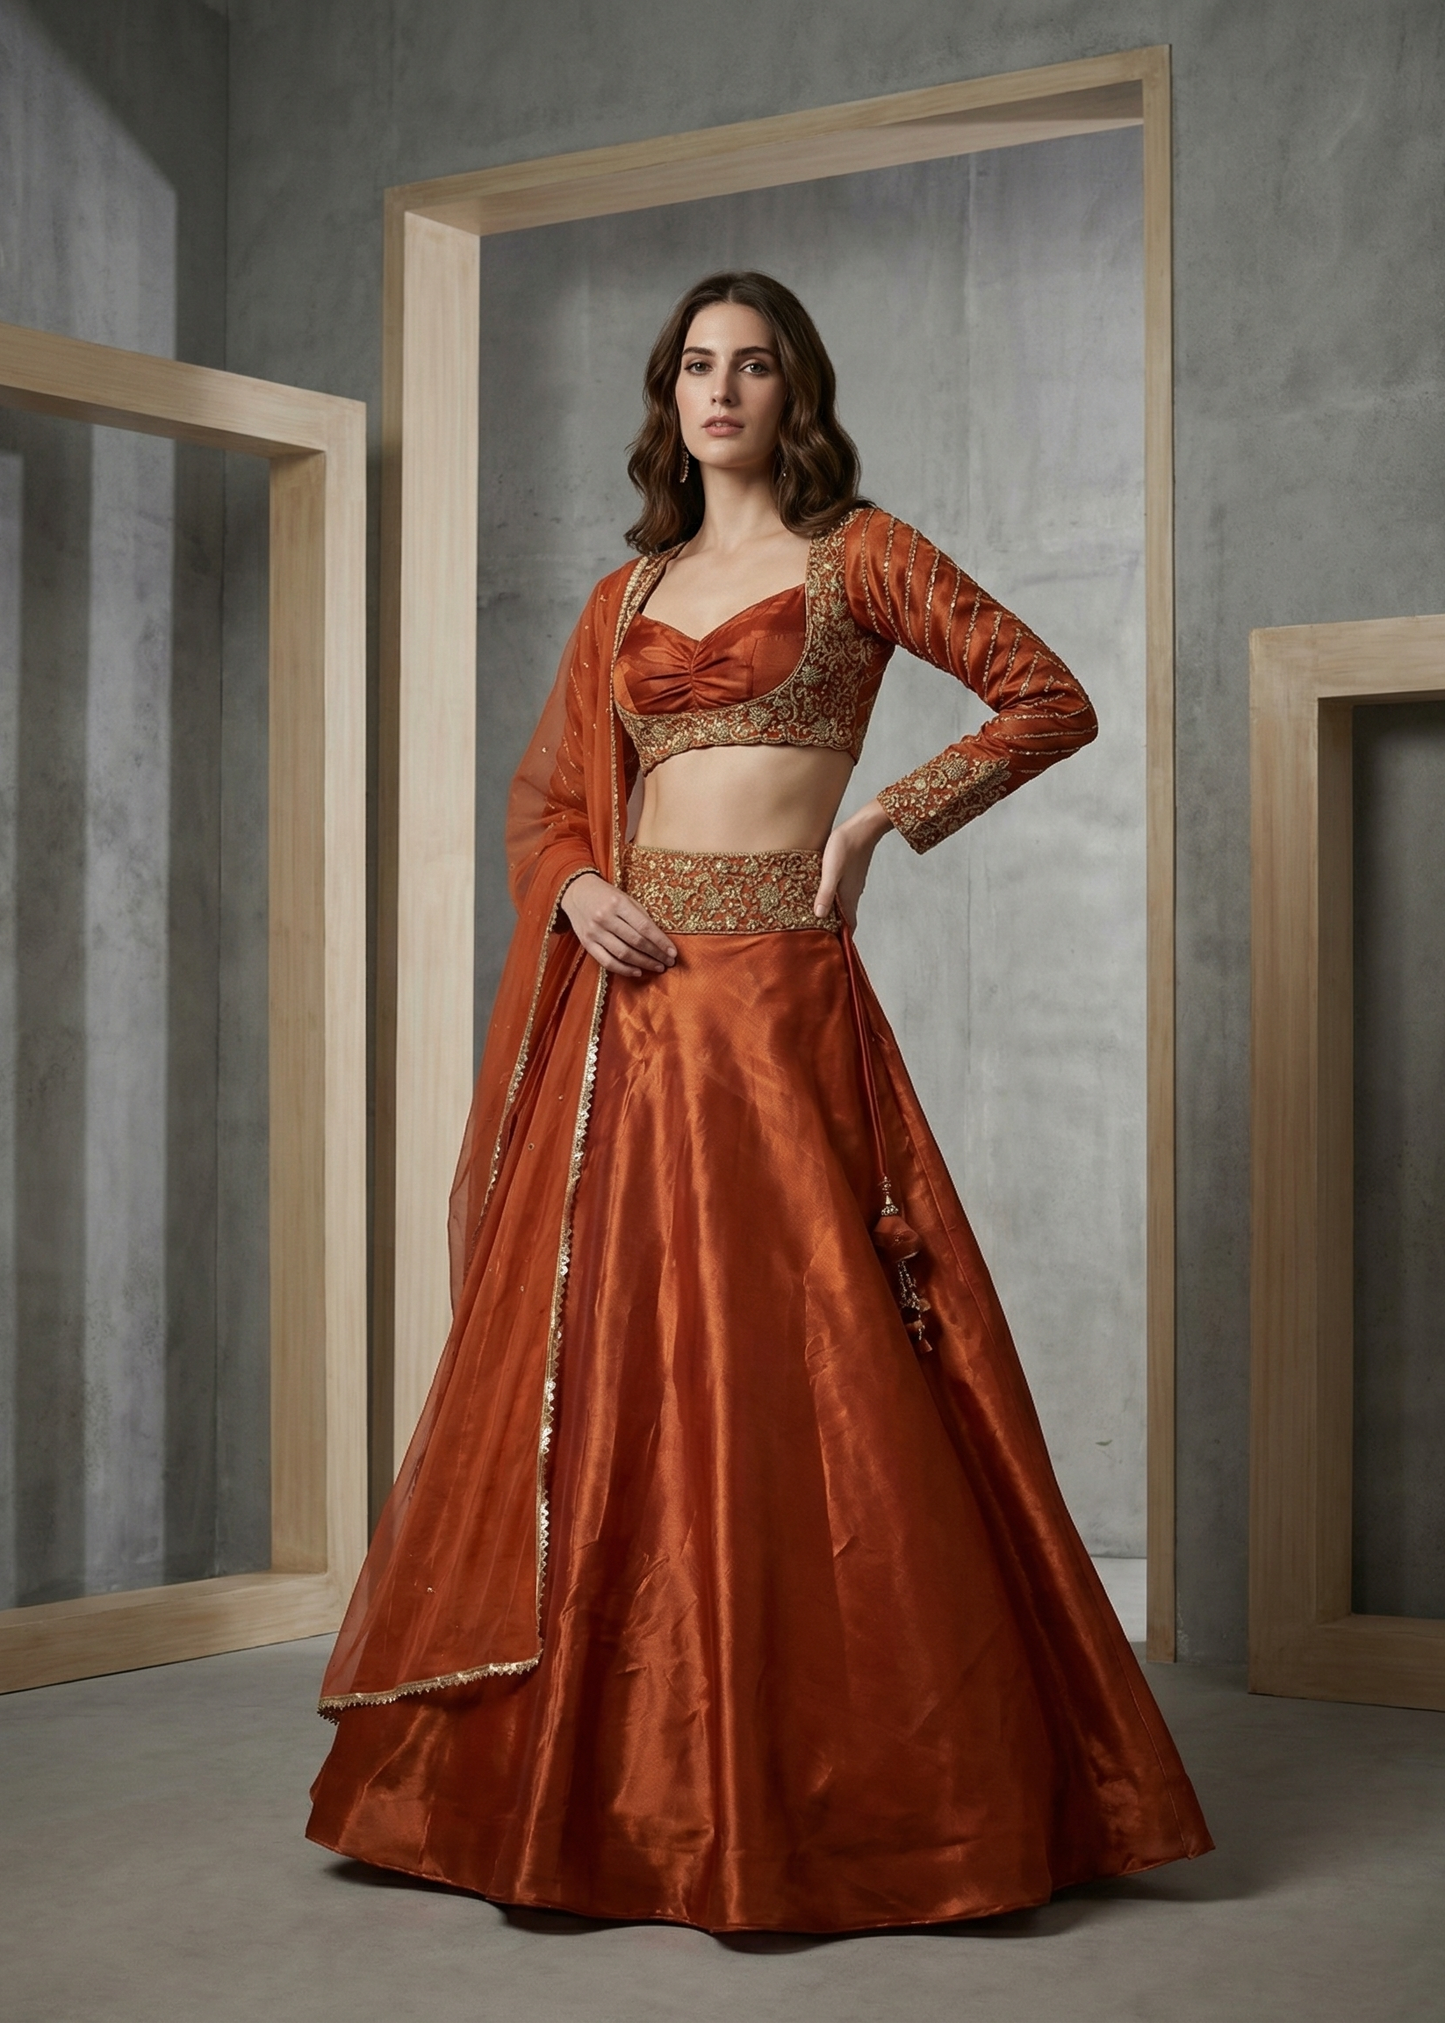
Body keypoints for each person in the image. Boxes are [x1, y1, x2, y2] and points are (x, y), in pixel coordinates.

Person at [307, 271, 1212, 1932]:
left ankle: (877, 1794)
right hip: (633, 1020)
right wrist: (576, 885)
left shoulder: (859, 554)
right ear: (672, 397)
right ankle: (587, 1801)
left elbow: (1048, 695)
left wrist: (879, 826)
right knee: (622, 1375)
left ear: (799, 392)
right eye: (699, 365)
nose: (724, 389)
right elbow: (547, 800)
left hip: (780, 1005)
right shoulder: (625, 591)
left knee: (817, 1375)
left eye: (757, 364)